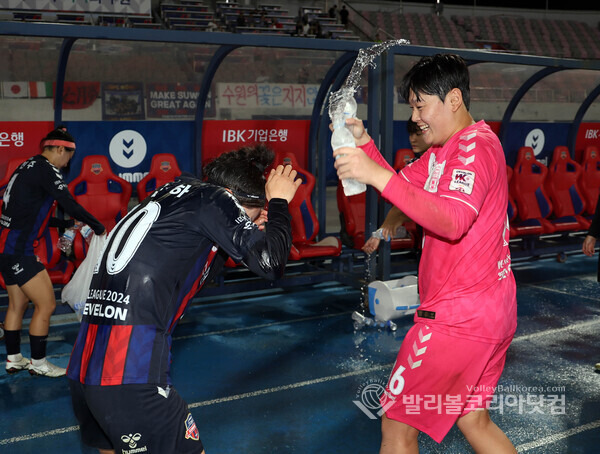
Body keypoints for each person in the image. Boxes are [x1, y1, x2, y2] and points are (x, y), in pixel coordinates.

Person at [333, 54, 517, 452]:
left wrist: (374, 173)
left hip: (457, 319)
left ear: (453, 100)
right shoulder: (442, 152)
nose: (416, 117)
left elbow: (452, 222)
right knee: (474, 420)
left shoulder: (473, 150)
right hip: (488, 311)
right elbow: (401, 188)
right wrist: (365, 147)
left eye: (420, 105)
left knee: (397, 427)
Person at [67, 145, 301, 454]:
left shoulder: (173, 194)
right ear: (232, 197)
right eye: (257, 214)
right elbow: (272, 264)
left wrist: (244, 232)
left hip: (86, 366)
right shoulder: (217, 199)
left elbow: (191, 270)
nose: (258, 221)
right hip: (129, 371)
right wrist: (281, 202)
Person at [0, 126, 106, 377]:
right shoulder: (46, 170)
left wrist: (65, 224)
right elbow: (69, 203)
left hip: (6, 248)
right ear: (60, 149)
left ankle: (14, 359)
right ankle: (39, 364)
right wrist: (98, 226)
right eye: (68, 156)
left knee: (17, 304)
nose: (68, 161)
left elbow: (29, 215)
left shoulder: (27, 166)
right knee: (46, 305)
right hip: (19, 251)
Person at [362, 117, 430, 255]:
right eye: (410, 134)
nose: (413, 139)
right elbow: (401, 202)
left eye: (418, 134)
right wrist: (380, 233)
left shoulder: (447, 162)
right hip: (426, 246)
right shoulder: (416, 165)